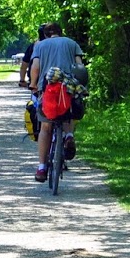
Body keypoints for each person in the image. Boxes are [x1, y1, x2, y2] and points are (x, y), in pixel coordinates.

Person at [28, 21, 86, 182]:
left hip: (48, 88)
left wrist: (33, 84)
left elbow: (35, 66)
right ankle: (68, 136)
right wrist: (80, 84)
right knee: (68, 112)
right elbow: (80, 66)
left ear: (46, 34)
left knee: (46, 127)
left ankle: (41, 168)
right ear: (61, 32)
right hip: (68, 85)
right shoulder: (71, 43)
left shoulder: (40, 45)